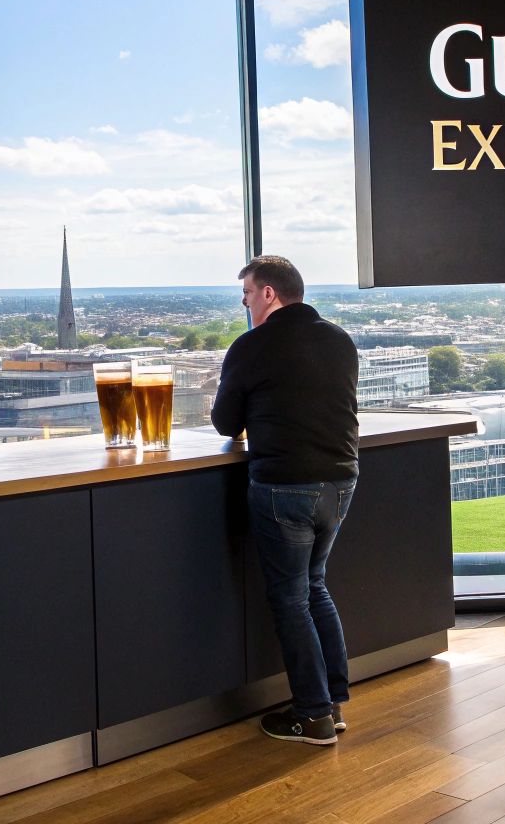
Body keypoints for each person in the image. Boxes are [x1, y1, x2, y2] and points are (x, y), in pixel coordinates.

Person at [212, 255, 360, 746]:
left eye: (248, 294)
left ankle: (313, 714)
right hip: (340, 482)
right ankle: (333, 701)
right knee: (315, 587)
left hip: (284, 485)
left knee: (291, 599)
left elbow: (224, 423)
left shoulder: (252, 346)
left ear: (270, 294)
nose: (246, 304)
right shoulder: (339, 340)